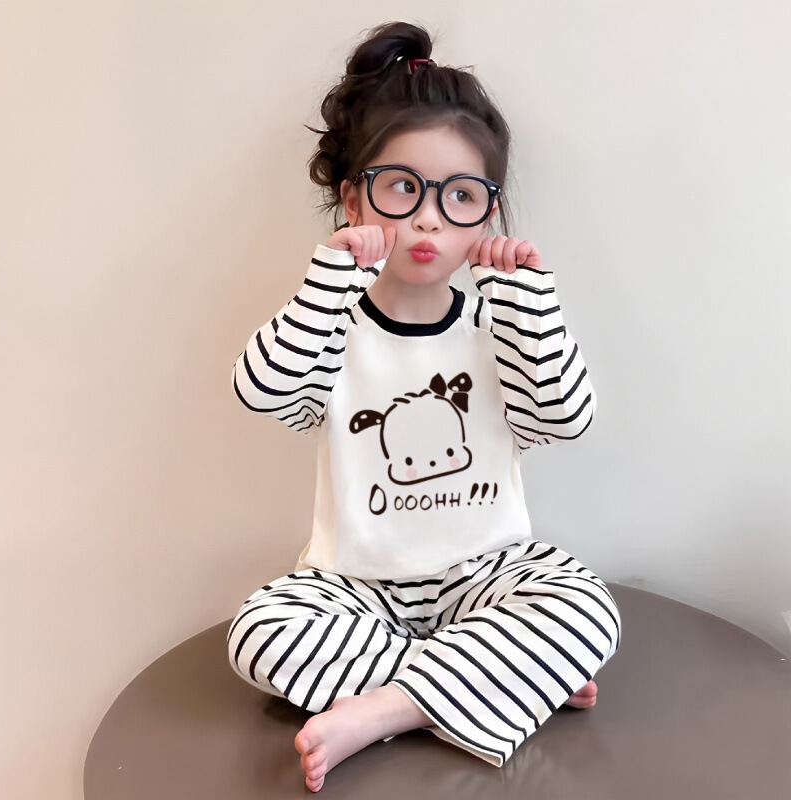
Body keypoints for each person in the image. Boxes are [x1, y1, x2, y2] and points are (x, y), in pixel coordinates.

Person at [226, 20, 621, 794]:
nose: (429, 218)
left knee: (587, 607)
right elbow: (260, 390)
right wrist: (328, 279)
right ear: (353, 198)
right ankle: (502, 678)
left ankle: (387, 708)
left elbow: (567, 417)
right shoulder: (331, 328)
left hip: (488, 576)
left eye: (460, 196)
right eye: (403, 188)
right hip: (356, 587)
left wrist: (530, 301)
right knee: (258, 634)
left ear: (488, 215)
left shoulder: (500, 325)